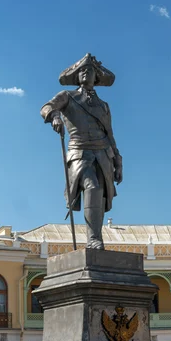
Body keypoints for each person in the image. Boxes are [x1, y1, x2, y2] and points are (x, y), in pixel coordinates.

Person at [40, 53, 123, 249]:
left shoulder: (104, 106)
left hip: (103, 153)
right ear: (76, 76)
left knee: (100, 195)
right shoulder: (68, 97)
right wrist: (54, 116)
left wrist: (118, 161)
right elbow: (46, 107)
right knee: (92, 187)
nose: (85, 72)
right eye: (82, 70)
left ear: (97, 77)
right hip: (79, 152)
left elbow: (110, 134)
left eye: (90, 70)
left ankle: (96, 237)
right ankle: (94, 239)